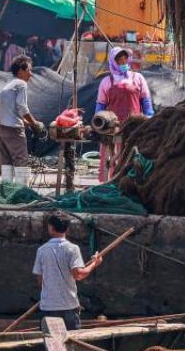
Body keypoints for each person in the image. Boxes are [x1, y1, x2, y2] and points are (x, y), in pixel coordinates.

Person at [33, 212, 102, 330]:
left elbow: (40, 280)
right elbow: (78, 275)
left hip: (48, 307)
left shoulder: (42, 250)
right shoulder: (72, 249)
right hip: (68, 306)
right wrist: (94, 264)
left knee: (49, 342)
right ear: (67, 229)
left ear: (51, 228)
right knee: (72, 345)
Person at [95, 47, 155, 180]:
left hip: (134, 127)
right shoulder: (106, 82)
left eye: (125, 59)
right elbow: (100, 106)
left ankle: (130, 182)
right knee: (111, 158)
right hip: (113, 127)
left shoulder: (138, 78)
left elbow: (146, 101)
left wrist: (149, 118)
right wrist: (98, 124)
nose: (123, 62)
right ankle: (108, 183)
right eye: (119, 60)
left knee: (132, 156)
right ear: (113, 62)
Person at [0, 55, 45, 186]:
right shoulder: (21, 84)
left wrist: (27, 123)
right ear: (21, 71)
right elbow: (22, 108)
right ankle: (22, 192)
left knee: (7, 160)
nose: (31, 74)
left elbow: (12, 110)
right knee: (21, 158)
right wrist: (35, 124)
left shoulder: (10, 84)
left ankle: (7, 189)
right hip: (12, 128)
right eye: (29, 70)